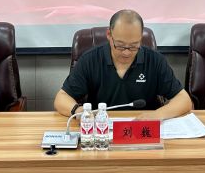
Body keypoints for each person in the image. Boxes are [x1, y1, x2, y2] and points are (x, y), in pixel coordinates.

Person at [54, 9, 192, 120]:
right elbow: (62, 98)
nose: (126, 52)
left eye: (133, 46)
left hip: (143, 129)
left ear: (141, 38)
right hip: (101, 128)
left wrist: (157, 115)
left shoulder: (155, 60)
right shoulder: (90, 59)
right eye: (120, 45)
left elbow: (184, 100)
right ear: (109, 35)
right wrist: (79, 112)